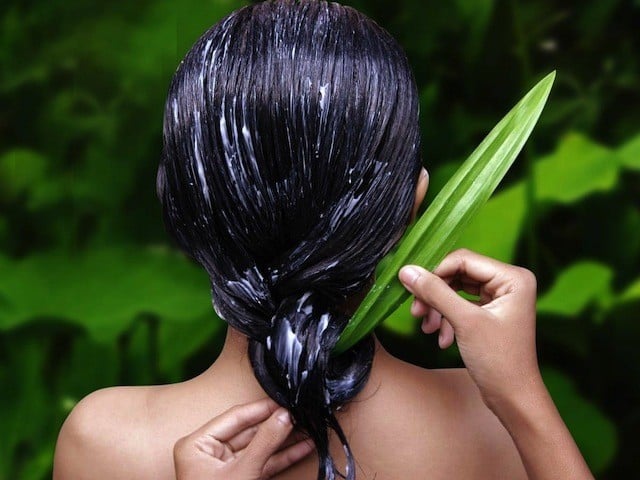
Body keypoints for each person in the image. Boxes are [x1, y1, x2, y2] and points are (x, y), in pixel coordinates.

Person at [53, 1, 594, 479]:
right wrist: (523, 399)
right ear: (412, 201)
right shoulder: (490, 424)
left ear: (185, 206)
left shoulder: (106, 443)